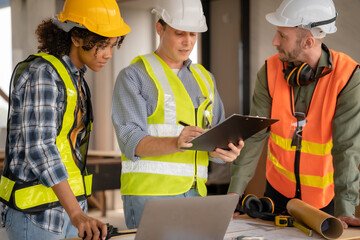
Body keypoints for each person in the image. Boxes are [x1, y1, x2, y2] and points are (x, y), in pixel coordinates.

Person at [0, 0, 130, 239]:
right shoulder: (44, 74)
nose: (108, 54)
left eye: (112, 45)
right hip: (37, 214)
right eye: (101, 45)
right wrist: (76, 213)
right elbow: (40, 148)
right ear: (76, 38)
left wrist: (78, 210)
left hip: (68, 209)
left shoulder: (75, 77)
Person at [111, 0, 244, 229]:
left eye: (193, 34)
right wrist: (176, 142)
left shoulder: (204, 78)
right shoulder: (134, 76)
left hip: (196, 193)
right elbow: (130, 141)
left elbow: (214, 138)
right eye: (180, 33)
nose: (188, 42)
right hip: (150, 195)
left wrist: (225, 151)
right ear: (160, 28)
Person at [228, 0, 360, 228]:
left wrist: (345, 209)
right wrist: (233, 194)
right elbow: (256, 135)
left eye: (282, 35)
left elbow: (346, 147)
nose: (274, 41)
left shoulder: (347, 77)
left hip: (324, 202)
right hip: (276, 194)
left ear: (308, 41)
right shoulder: (269, 71)